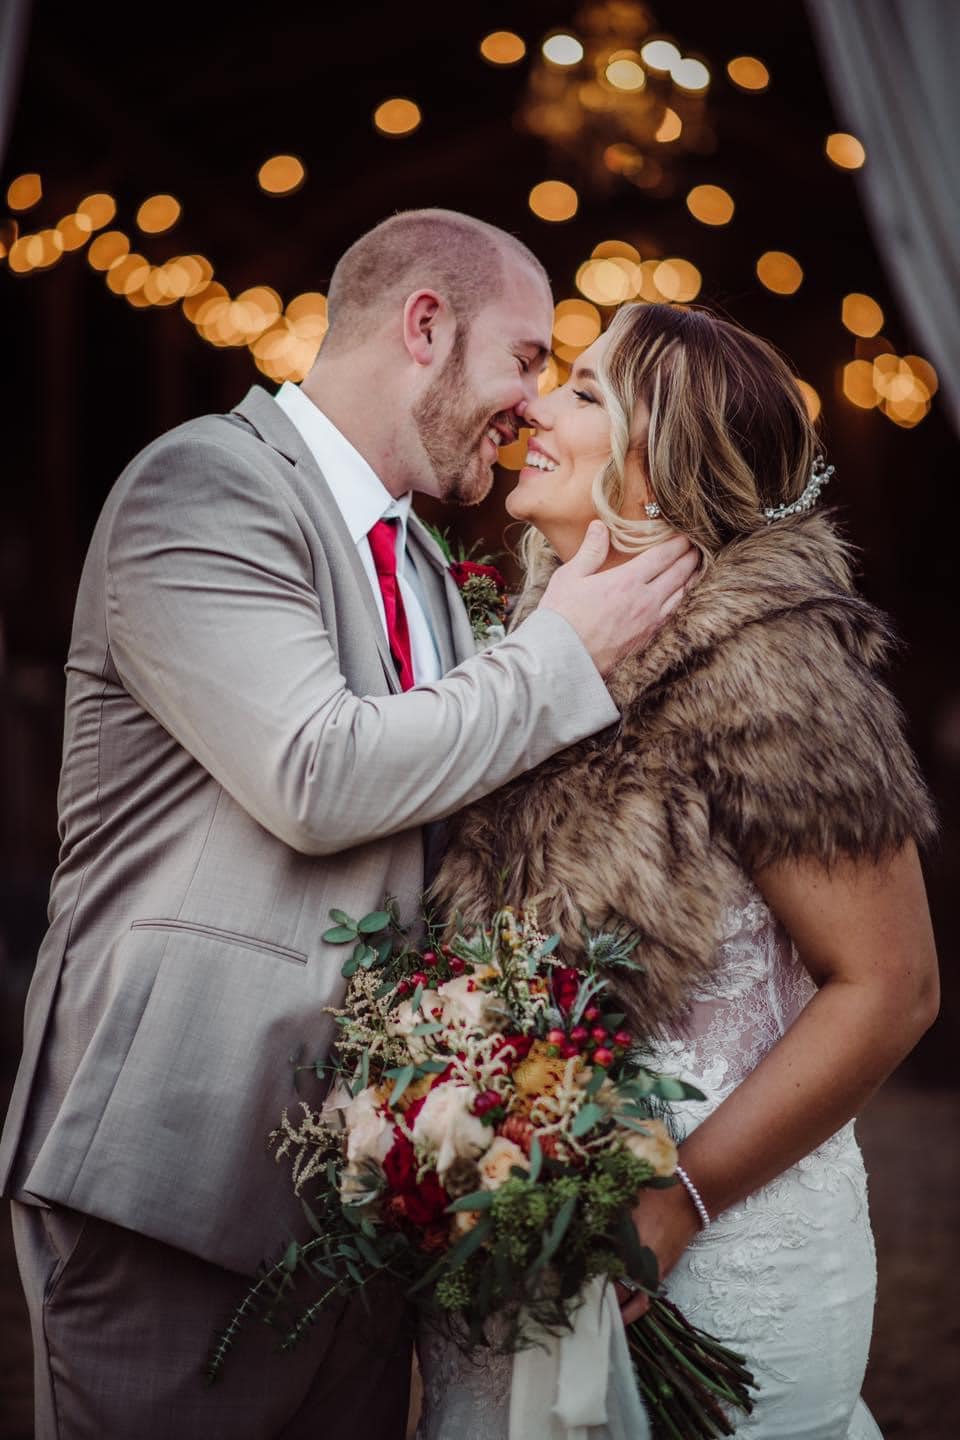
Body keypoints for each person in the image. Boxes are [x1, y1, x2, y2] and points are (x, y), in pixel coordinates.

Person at [0, 213, 698, 1440]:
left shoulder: (422, 564)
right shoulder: (201, 485)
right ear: (425, 326)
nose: (530, 405)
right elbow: (314, 773)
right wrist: (562, 653)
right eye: (524, 359)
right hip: (182, 1171)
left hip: (365, 1202)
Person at [421, 301, 940, 1439]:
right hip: (523, 1249)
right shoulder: (516, 650)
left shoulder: (771, 664)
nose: (534, 408)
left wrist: (680, 1201)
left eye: (585, 392)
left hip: (721, 1249)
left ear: (664, 467)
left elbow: (893, 985)